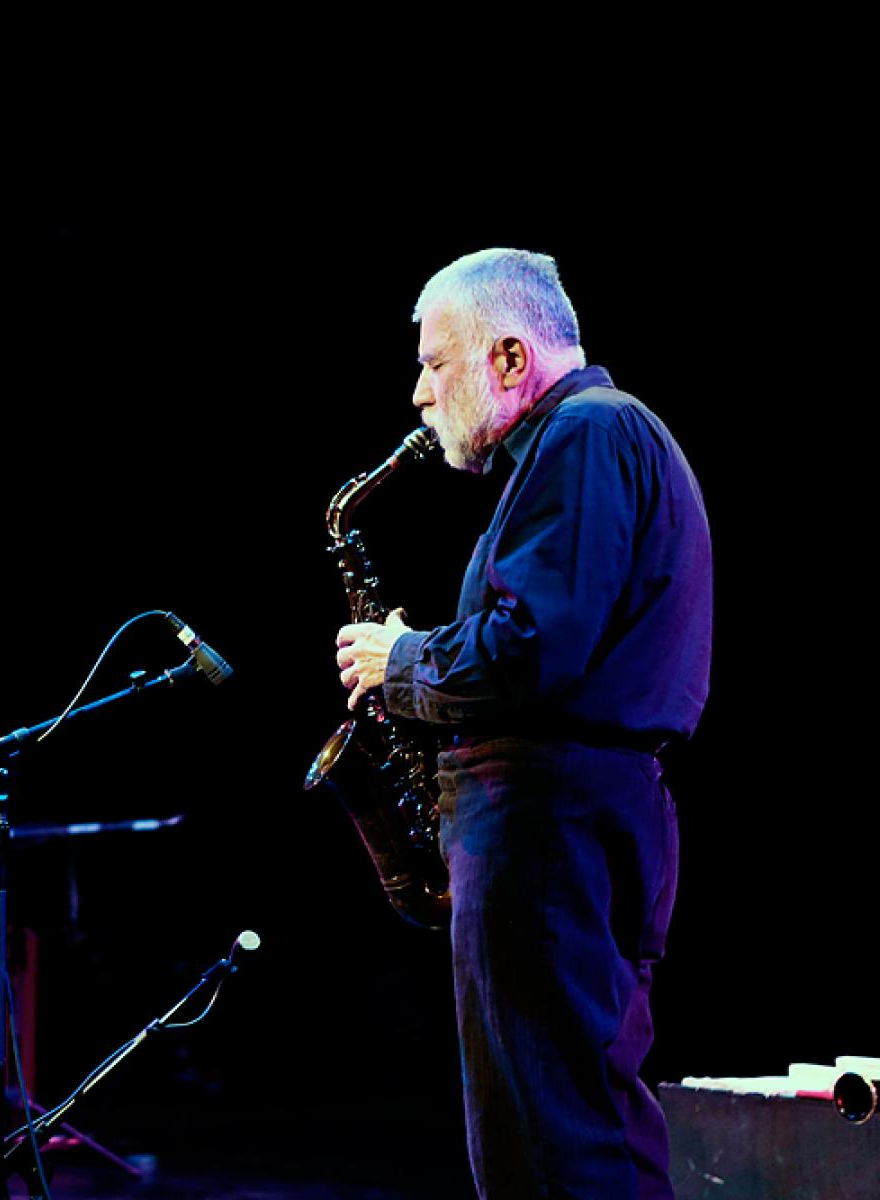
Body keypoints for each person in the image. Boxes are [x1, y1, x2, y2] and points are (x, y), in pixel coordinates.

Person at [335, 248, 711, 1200]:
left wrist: (405, 660)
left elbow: (531, 648)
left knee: (557, 1138)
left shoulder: (585, 433)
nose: (420, 393)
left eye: (434, 362)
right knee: (556, 1123)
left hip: (550, 822)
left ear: (508, 357)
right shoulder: (594, 439)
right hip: (569, 817)